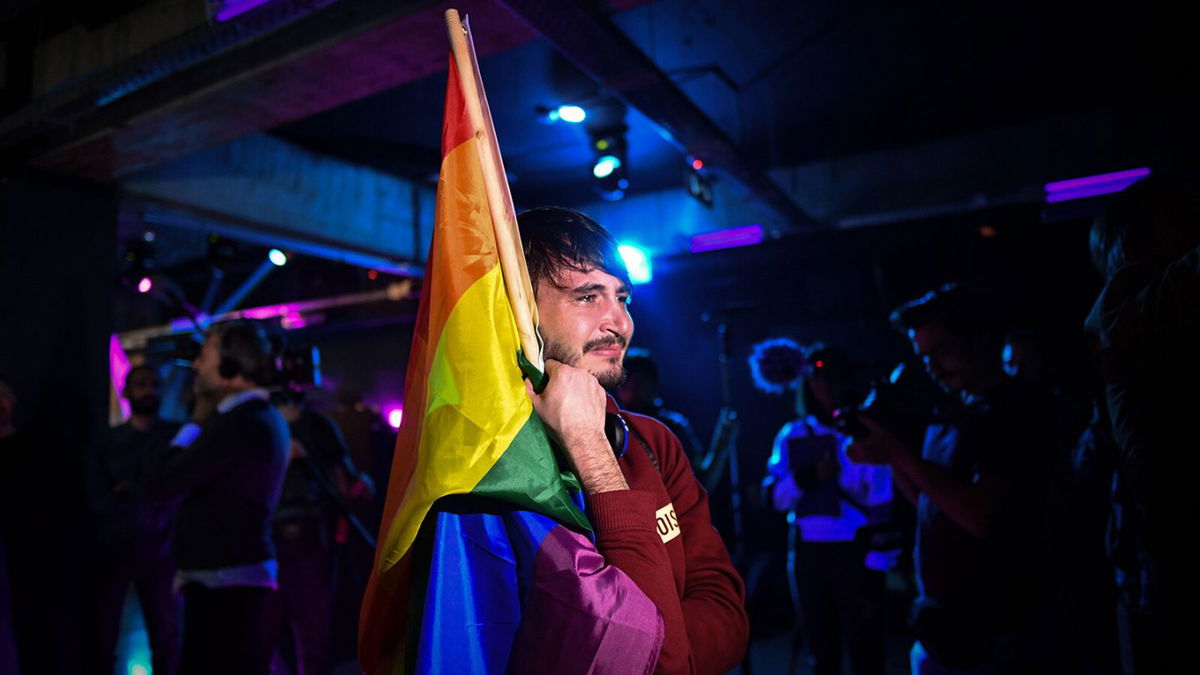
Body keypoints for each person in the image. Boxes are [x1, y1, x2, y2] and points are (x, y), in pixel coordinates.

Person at [519, 206, 749, 673]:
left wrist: (672, 654)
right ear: (520, 312)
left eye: (622, 298)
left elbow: (726, 612)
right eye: (587, 297)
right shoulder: (495, 463)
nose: (619, 322)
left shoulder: (652, 441)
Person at [847, 284, 1059, 674]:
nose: (933, 368)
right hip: (942, 631)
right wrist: (885, 455)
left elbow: (983, 517)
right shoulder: (952, 412)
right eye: (924, 357)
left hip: (995, 634)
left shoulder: (1014, 411)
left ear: (979, 339)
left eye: (941, 352)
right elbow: (933, 507)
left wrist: (898, 454)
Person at [1085, 176, 1200, 674]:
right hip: (1173, 557)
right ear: (1133, 248)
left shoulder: (1130, 325)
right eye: (1181, 226)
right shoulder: (1128, 306)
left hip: (1154, 562)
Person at [144, 320, 290, 675]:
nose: (195, 365)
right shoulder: (253, 418)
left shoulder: (241, 422)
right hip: (225, 580)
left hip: (226, 585)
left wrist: (195, 420)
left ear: (230, 366)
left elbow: (163, 480)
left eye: (205, 356)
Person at [756, 340, 894, 675]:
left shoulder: (865, 432)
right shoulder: (792, 435)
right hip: (808, 552)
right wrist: (808, 478)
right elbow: (774, 498)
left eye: (832, 377)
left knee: (865, 645)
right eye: (817, 378)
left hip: (855, 551)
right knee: (821, 646)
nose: (825, 385)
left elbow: (882, 501)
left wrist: (877, 568)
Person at [268, 392, 372, 675]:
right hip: (268, 543)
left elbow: (346, 483)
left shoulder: (319, 426)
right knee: (269, 636)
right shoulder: (260, 422)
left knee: (313, 632)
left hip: (314, 540)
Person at [87, 364, 181, 675]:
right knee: (103, 634)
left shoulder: (173, 438)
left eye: (153, 384)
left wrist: (131, 492)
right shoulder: (109, 442)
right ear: (127, 392)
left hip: (159, 550)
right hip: (116, 550)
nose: (148, 391)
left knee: (166, 634)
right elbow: (98, 496)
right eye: (141, 385)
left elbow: (174, 490)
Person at [615, 349, 707, 469]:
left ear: (653, 384)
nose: (631, 392)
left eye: (638, 384)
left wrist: (722, 441)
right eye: (624, 386)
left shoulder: (673, 426)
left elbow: (699, 479)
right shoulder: (615, 426)